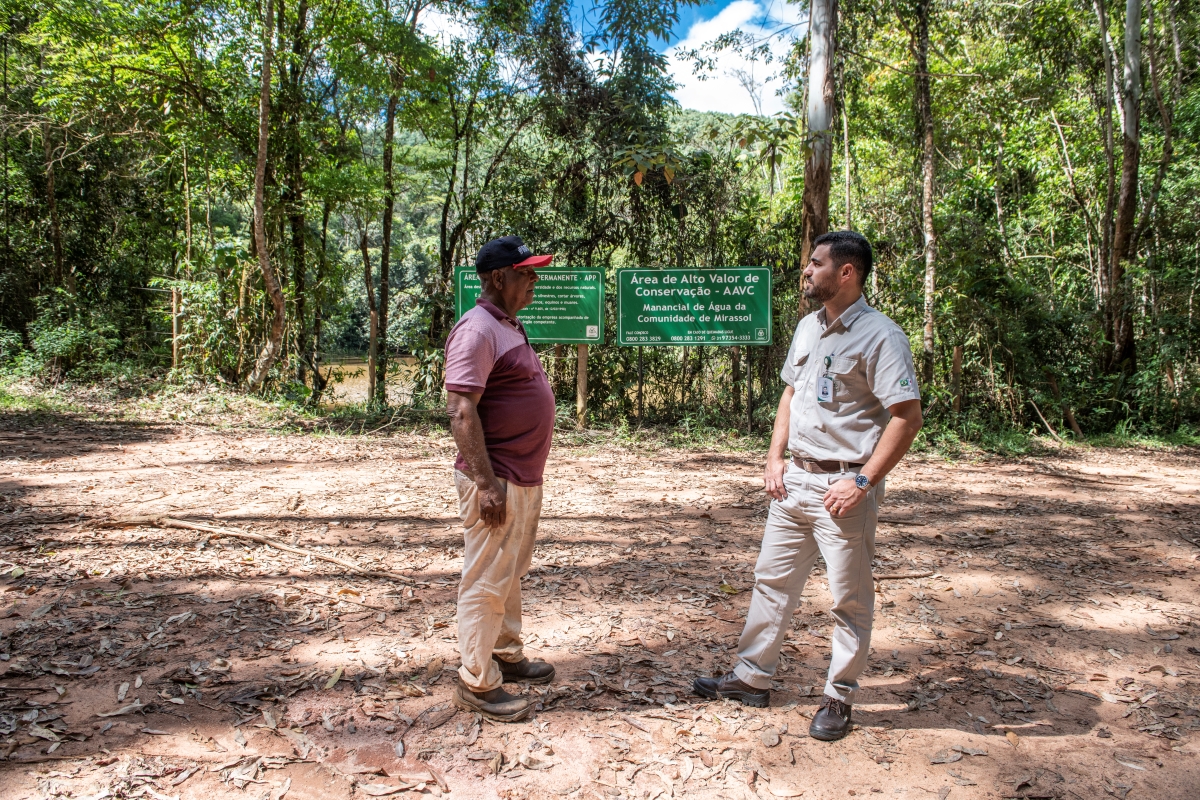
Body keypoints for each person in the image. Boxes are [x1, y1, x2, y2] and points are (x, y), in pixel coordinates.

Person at [693, 231, 924, 741]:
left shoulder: (882, 336)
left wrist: (862, 481)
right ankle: (751, 678)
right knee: (771, 583)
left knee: (848, 599)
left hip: (844, 489)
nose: (806, 271)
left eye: (815, 264)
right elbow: (791, 394)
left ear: (846, 273)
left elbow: (907, 417)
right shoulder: (806, 328)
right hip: (793, 481)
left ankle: (839, 697)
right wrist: (774, 457)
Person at [445, 235, 558, 722]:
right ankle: (476, 680)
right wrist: (486, 484)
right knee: (488, 577)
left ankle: (506, 654)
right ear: (498, 277)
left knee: (509, 572)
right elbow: (460, 409)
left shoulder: (507, 324)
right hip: (498, 479)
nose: (535, 279)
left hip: (521, 476)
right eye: (527, 272)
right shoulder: (476, 330)